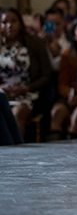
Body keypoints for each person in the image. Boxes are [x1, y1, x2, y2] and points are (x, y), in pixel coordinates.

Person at [0, 8, 52, 137]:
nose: (9, 25)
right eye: (4, 22)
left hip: (28, 94)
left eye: (13, 21)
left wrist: (25, 89)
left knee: (17, 112)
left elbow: (46, 75)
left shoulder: (33, 43)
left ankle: (16, 152)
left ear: (20, 23)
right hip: (3, 94)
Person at [49, 16, 77, 139]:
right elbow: (62, 83)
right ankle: (54, 151)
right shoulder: (67, 54)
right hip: (69, 96)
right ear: (74, 33)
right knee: (57, 112)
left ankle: (74, 151)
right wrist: (70, 95)